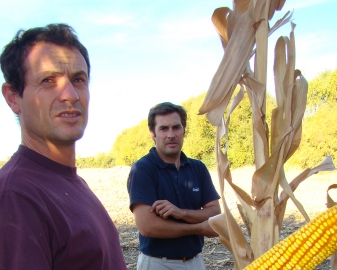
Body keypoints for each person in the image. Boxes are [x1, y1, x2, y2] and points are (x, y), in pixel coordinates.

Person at [0, 24, 127, 270]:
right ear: (14, 97)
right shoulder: (15, 197)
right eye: (48, 80)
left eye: (78, 79)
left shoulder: (70, 181)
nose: (70, 94)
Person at [127, 102, 221, 270]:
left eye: (176, 127)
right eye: (163, 129)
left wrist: (181, 213)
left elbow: (215, 212)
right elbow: (147, 226)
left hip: (195, 262)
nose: (171, 134)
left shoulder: (198, 168)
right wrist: (199, 227)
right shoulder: (143, 169)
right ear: (153, 134)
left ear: (184, 130)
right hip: (158, 263)